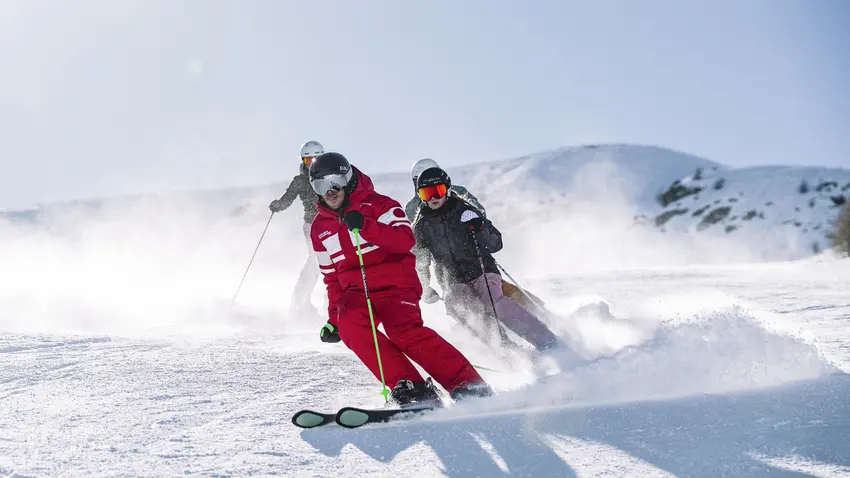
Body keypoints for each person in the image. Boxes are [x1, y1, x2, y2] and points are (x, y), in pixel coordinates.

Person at [307, 152, 493, 406]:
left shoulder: (381, 205)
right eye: (321, 185)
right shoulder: (320, 228)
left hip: (395, 285)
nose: (330, 191)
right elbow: (331, 278)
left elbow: (404, 240)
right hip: (356, 293)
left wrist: (366, 226)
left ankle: (468, 383)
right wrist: (333, 319)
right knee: (349, 324)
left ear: (348, 179)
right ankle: (411, 387)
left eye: (335, 182)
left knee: (402, 332)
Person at [411, 166, 562, 352]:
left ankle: (544, 339)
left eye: (437, 191)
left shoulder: (464, 211)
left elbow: (496, 244)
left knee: (494, 304)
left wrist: (480, 227)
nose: (433, 198)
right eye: (426, 193)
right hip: (453, 281)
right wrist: (424, 287)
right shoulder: (422, 226)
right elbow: (420, 260)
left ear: (447, 189)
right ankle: (505, 350)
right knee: (460, 308)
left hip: (481, 271)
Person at [406, 158, 547, 310]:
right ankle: (487, 322)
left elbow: (478, 214)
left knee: (493, 293)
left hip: (472, 260)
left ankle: (535, 309)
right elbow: (419, 250)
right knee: (464, 303)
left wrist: (474, 231)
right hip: (449, 269)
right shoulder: (414, 209)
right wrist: (424, 285)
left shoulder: (455, 193)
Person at [269, 140, 325, 319]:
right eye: (308, 161)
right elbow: (287, 199)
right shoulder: (300, 181)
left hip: (332, 223)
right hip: (312, 226)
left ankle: (332, 302)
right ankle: (300, 303)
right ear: (303, 161)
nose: (312, 164)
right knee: (316, 260)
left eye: (316, 160)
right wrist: (277, 205)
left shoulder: (329, 177)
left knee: (336, 261)